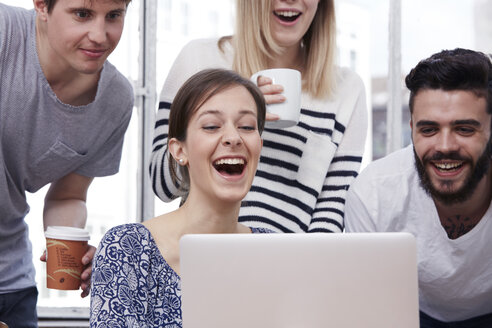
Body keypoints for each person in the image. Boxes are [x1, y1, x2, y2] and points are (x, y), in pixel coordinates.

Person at [150, 0, 368, 233]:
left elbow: (329, 219)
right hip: (203, 257)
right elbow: (162, 184)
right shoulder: (198, 59)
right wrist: (239, 108)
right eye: (212, 125)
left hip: (287, 264)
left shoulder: (347, 90)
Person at [90, 68, 272, 327]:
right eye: (211, 126)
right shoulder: (128, 250)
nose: (234, 138)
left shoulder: (274, 250)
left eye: (246, 126)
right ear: (179, 150)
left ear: (259, 147)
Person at [0, 0, 133, 325]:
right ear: (42, 6)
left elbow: (68, 195)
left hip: (11, 283)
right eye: (83, 14)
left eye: (113, 16)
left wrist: (69, 244)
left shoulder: (116, 100)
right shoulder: (4, 32)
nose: (100, 35)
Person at [345, 48, 492, 327]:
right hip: (408, 315)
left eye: (464, 129)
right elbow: (365, 308)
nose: (445, 146)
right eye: (429, 130)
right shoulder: (372, 194)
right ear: (411, 128)